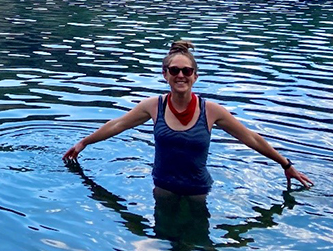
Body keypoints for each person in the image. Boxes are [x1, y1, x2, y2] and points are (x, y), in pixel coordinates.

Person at [62, 40, 314, 195]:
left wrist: (286, 164)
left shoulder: (211, 111)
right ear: (165, 75)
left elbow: (251, 138)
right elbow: (117, 124)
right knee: (166, 244)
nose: (180, 75)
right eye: (174, 70)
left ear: (195, 76)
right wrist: (84, 142)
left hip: (197, 190)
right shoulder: (153, 106)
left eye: (186, 70)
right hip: (163, 187)